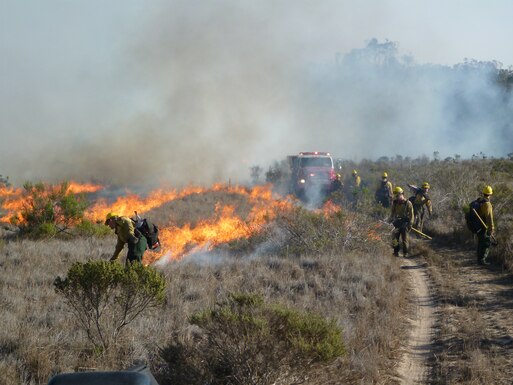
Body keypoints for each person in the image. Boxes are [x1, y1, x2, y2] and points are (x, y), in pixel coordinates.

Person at [389, 186, 414, 257]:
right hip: (396, 223)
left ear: (401, 194)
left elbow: (411, 215)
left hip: (405, 223)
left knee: (405, 239)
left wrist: (410, 224)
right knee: (394, 238)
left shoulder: (408, 203)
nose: (396, 197)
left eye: (397, 196)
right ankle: (396, 252)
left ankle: (405, 253)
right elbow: (392, 213)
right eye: (395, 196)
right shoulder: (395, 203)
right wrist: (389, 221)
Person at [475, 185, 495, 266]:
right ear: (490, 194)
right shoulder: (487, 204)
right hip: (484, 227)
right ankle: (482, 260)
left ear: (483, 193)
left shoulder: (479, 201)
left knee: (481, 242)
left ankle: (479, 260)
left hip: (478, 226)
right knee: (486, 243)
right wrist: (491, 228)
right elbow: (489, 217)